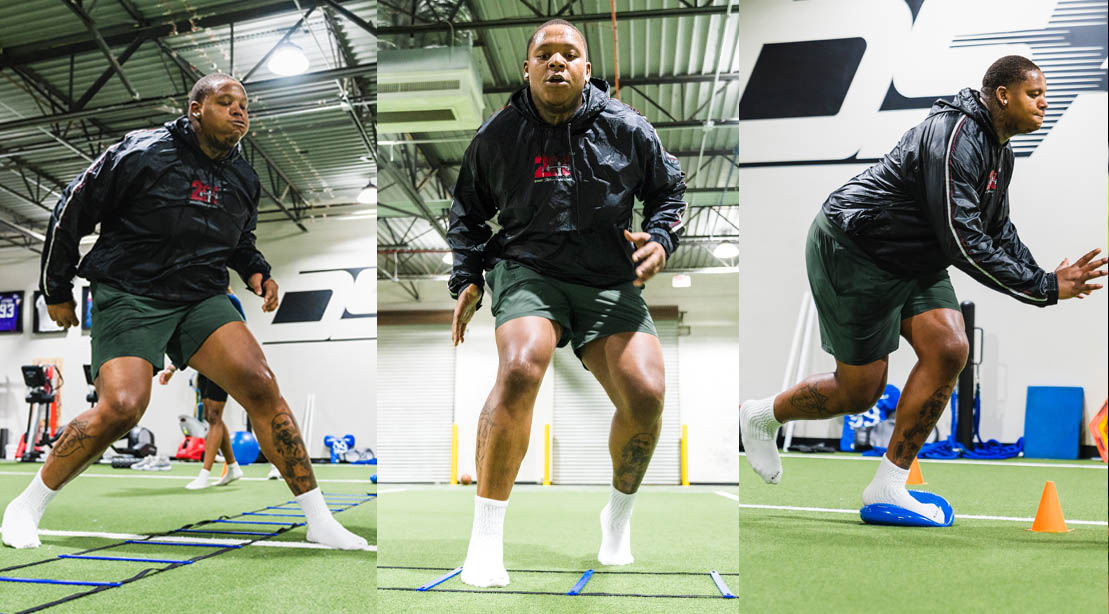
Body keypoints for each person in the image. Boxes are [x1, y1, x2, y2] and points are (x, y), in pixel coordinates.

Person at [2, 73, 367, 550]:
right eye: (225, 101)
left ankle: (319, 519)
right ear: (195, 109)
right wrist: (56, 288)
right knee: (123, 407)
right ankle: (25, 507)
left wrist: (257, 271)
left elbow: (241, 243)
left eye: (245, 105)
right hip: (132, 290)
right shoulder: (141, 152)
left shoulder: (244, 178)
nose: (240, 111)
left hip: (200, 295)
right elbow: (71, 210)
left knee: (261, 384)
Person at [740, 56, 1107, 523]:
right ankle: (760, 415)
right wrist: (1043, 287)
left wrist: (1044, 276)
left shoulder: (1000, 151)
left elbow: (997, 228)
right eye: (1034, 94)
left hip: (914, 257)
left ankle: (887, 487)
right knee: (861, 392)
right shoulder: (954, 137)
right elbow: (962, 238)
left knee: (950, 348)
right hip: (857, 248)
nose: (1044, 103)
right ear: (1002, 95)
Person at [448, 19, 686, 586]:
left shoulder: (628, 129)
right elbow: (466, 215)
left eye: (569, 54)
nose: (557, 62)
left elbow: (670, 192)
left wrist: (661, 237)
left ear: (585, 68)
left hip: (607, 274)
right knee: (522, 363)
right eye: (545, 54)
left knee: (647, 394)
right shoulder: (496, 137)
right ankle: (485, 539)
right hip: (529, 267)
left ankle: (617, 519)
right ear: (527, 68)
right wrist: (468, 279)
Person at [157, 288, 246, 490]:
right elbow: (190, 341)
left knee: (214, 417)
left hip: (223, 363)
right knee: (211, 416)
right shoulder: (197, 306)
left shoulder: (230, 301)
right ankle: (233, 467)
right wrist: (172, 368)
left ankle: (204, 474)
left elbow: (240, 332)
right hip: (206, 366)